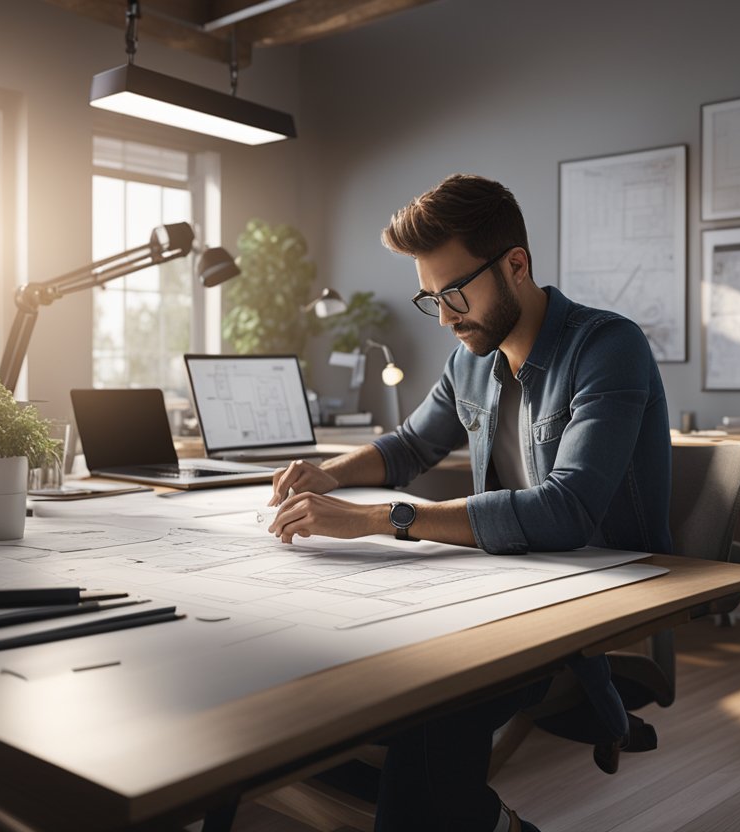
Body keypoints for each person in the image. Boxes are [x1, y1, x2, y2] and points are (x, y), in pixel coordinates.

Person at [267, 173, 672, 832]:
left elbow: (567, 510)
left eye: (455, 293)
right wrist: (327, 474)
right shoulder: (472, 361)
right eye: (432, 299)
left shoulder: (607, 348)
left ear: (516, 265)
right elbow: (408, 448)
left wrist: (379, 519)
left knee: (428, 706)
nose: (447, 318)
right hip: (504, 584)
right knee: (349, 688)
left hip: (593, 600)